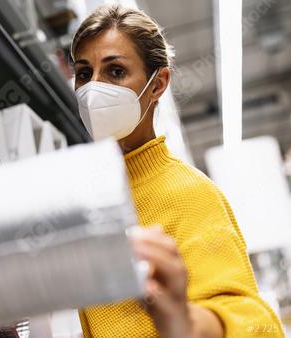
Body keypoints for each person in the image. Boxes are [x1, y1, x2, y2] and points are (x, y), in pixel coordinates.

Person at [72, 4, 284, 338]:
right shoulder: (88, 199)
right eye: (84, 74)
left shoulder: (189, 193)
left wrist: (185, 322)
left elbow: (253, 321)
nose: (92, 90)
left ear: (157, 85)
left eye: (115, 72)